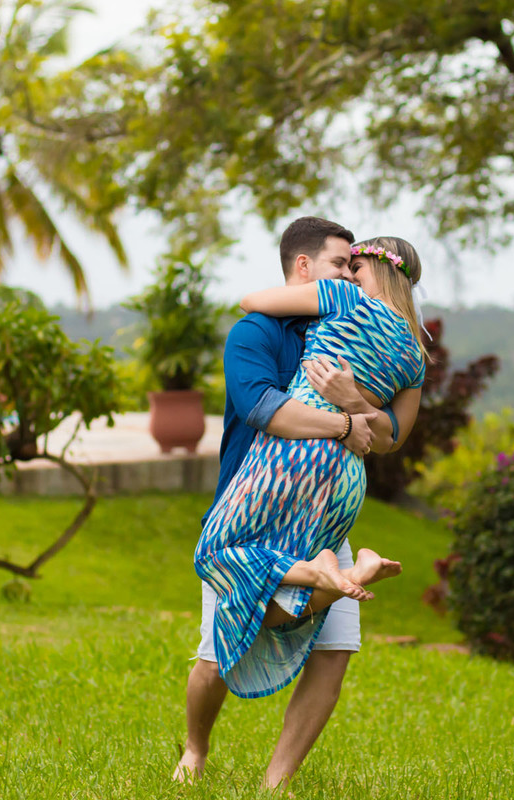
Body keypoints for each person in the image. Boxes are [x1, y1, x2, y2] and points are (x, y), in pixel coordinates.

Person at [175, 217, 418, 789]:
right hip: (262, 496)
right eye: (341, 263)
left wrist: (352, 404)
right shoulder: (258, 332)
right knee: (218, 653)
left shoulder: (337, 310)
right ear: (304, 268)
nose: (348, 274)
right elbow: (268, 411)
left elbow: (386, 438)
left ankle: (275, 782)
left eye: (355, 265)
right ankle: (196, 748)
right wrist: (347, 423)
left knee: (333, 650)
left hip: (304, 502)